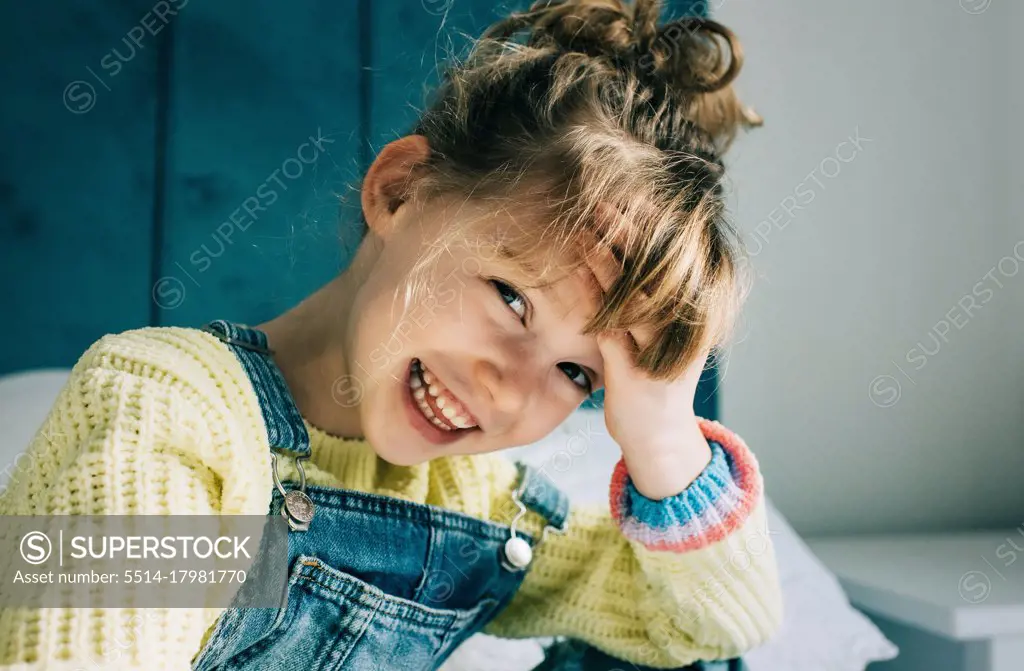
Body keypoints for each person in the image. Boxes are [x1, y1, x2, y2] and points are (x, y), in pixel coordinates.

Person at [0, 1, 782, 668]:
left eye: (580, 374)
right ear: (399, 189)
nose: (508, 388)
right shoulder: (171, 410)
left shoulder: (470, 504)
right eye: (512, 299)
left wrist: (666, 444)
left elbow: (706, 627)